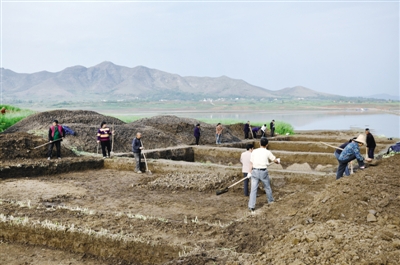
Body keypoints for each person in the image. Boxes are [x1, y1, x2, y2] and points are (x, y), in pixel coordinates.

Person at [248, 137, 280, 211]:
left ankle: (251, 206)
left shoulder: (254, 151)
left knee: (253, 190)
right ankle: (270, 201)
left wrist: (249, 172)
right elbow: (274, 160)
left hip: (255, 171)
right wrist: (277, 161)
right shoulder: (267, 152)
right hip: (263, 172)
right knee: (267, 187)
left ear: (259, 143)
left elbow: (251, 163)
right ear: (267, 145)